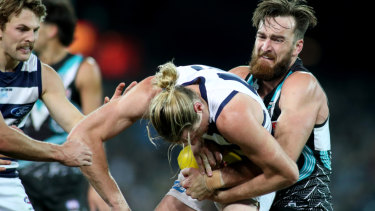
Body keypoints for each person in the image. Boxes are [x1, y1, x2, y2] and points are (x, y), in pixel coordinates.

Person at [67, 61, 299, 210]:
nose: (188, 143)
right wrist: (118, 205)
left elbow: (286, 173)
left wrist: (214, 185)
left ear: (199, 109)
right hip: (212, 151)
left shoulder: (234, 118)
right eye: (180, 141)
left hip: (248, 162)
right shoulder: (152, 93)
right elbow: (82, 136)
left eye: (190, 136)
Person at [178, 0, 332, 210]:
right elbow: (196, 122)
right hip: (247, 191)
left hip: (299, 201)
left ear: (297, 47)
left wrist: (215, 184)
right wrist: (203, 146)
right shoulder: (237, 78)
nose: (265, 47)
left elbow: (279, 166)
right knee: (173, 202)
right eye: (262, 36)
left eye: (277, 40)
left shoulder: (302, 86)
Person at [0, 0, 101, 210]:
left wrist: (117, 111)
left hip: (38, 176)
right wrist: (61, 153)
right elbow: (4, 138)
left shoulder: (44, 74)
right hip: (27, 167)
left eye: (35, 30)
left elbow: (85, 128)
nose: (31, 38)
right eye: (22, 29)